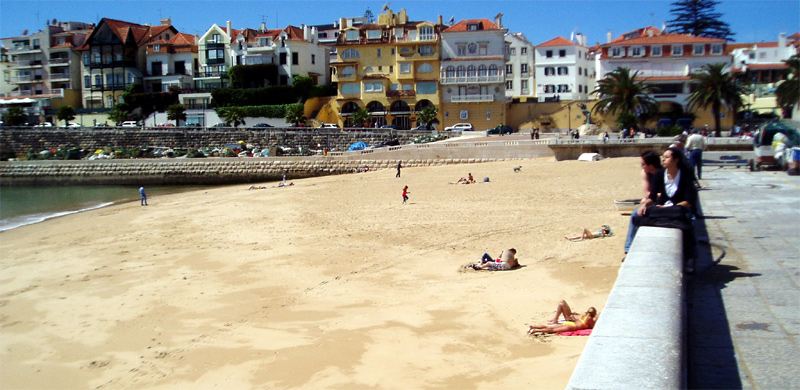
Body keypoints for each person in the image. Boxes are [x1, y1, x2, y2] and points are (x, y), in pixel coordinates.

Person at [636, 147, 699, 270]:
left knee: (680, 214)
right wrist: (645, 205)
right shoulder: (660, 174)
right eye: (663, 157)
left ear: (676, 160)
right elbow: (652, 196)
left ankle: (689, 259)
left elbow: (689, 201)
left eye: (667, 157)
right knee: (645, 213)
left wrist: (672, 206)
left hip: (678, 208)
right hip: (663, 208)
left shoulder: (685, 175)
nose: (663, 159)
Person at [624, 151, 663, 254]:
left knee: (635, 215)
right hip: (653, 200)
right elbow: (647, 193)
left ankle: (629, 248)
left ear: (651, 165)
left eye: (643, 164)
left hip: (661, 202)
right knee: (636, 214)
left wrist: (651, 198)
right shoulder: (645, 173)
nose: (641, 167)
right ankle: (628, 248)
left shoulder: (662, 173)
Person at [527, 300, 598, 335]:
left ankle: (533, 326)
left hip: (569, 323)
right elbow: (592, 327)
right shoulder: (590, 319)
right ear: (593, 314)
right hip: (571, 326)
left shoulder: (583, 315)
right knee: (553, 330)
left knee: (550, 326)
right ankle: (535, 330)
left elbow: (577, 318)